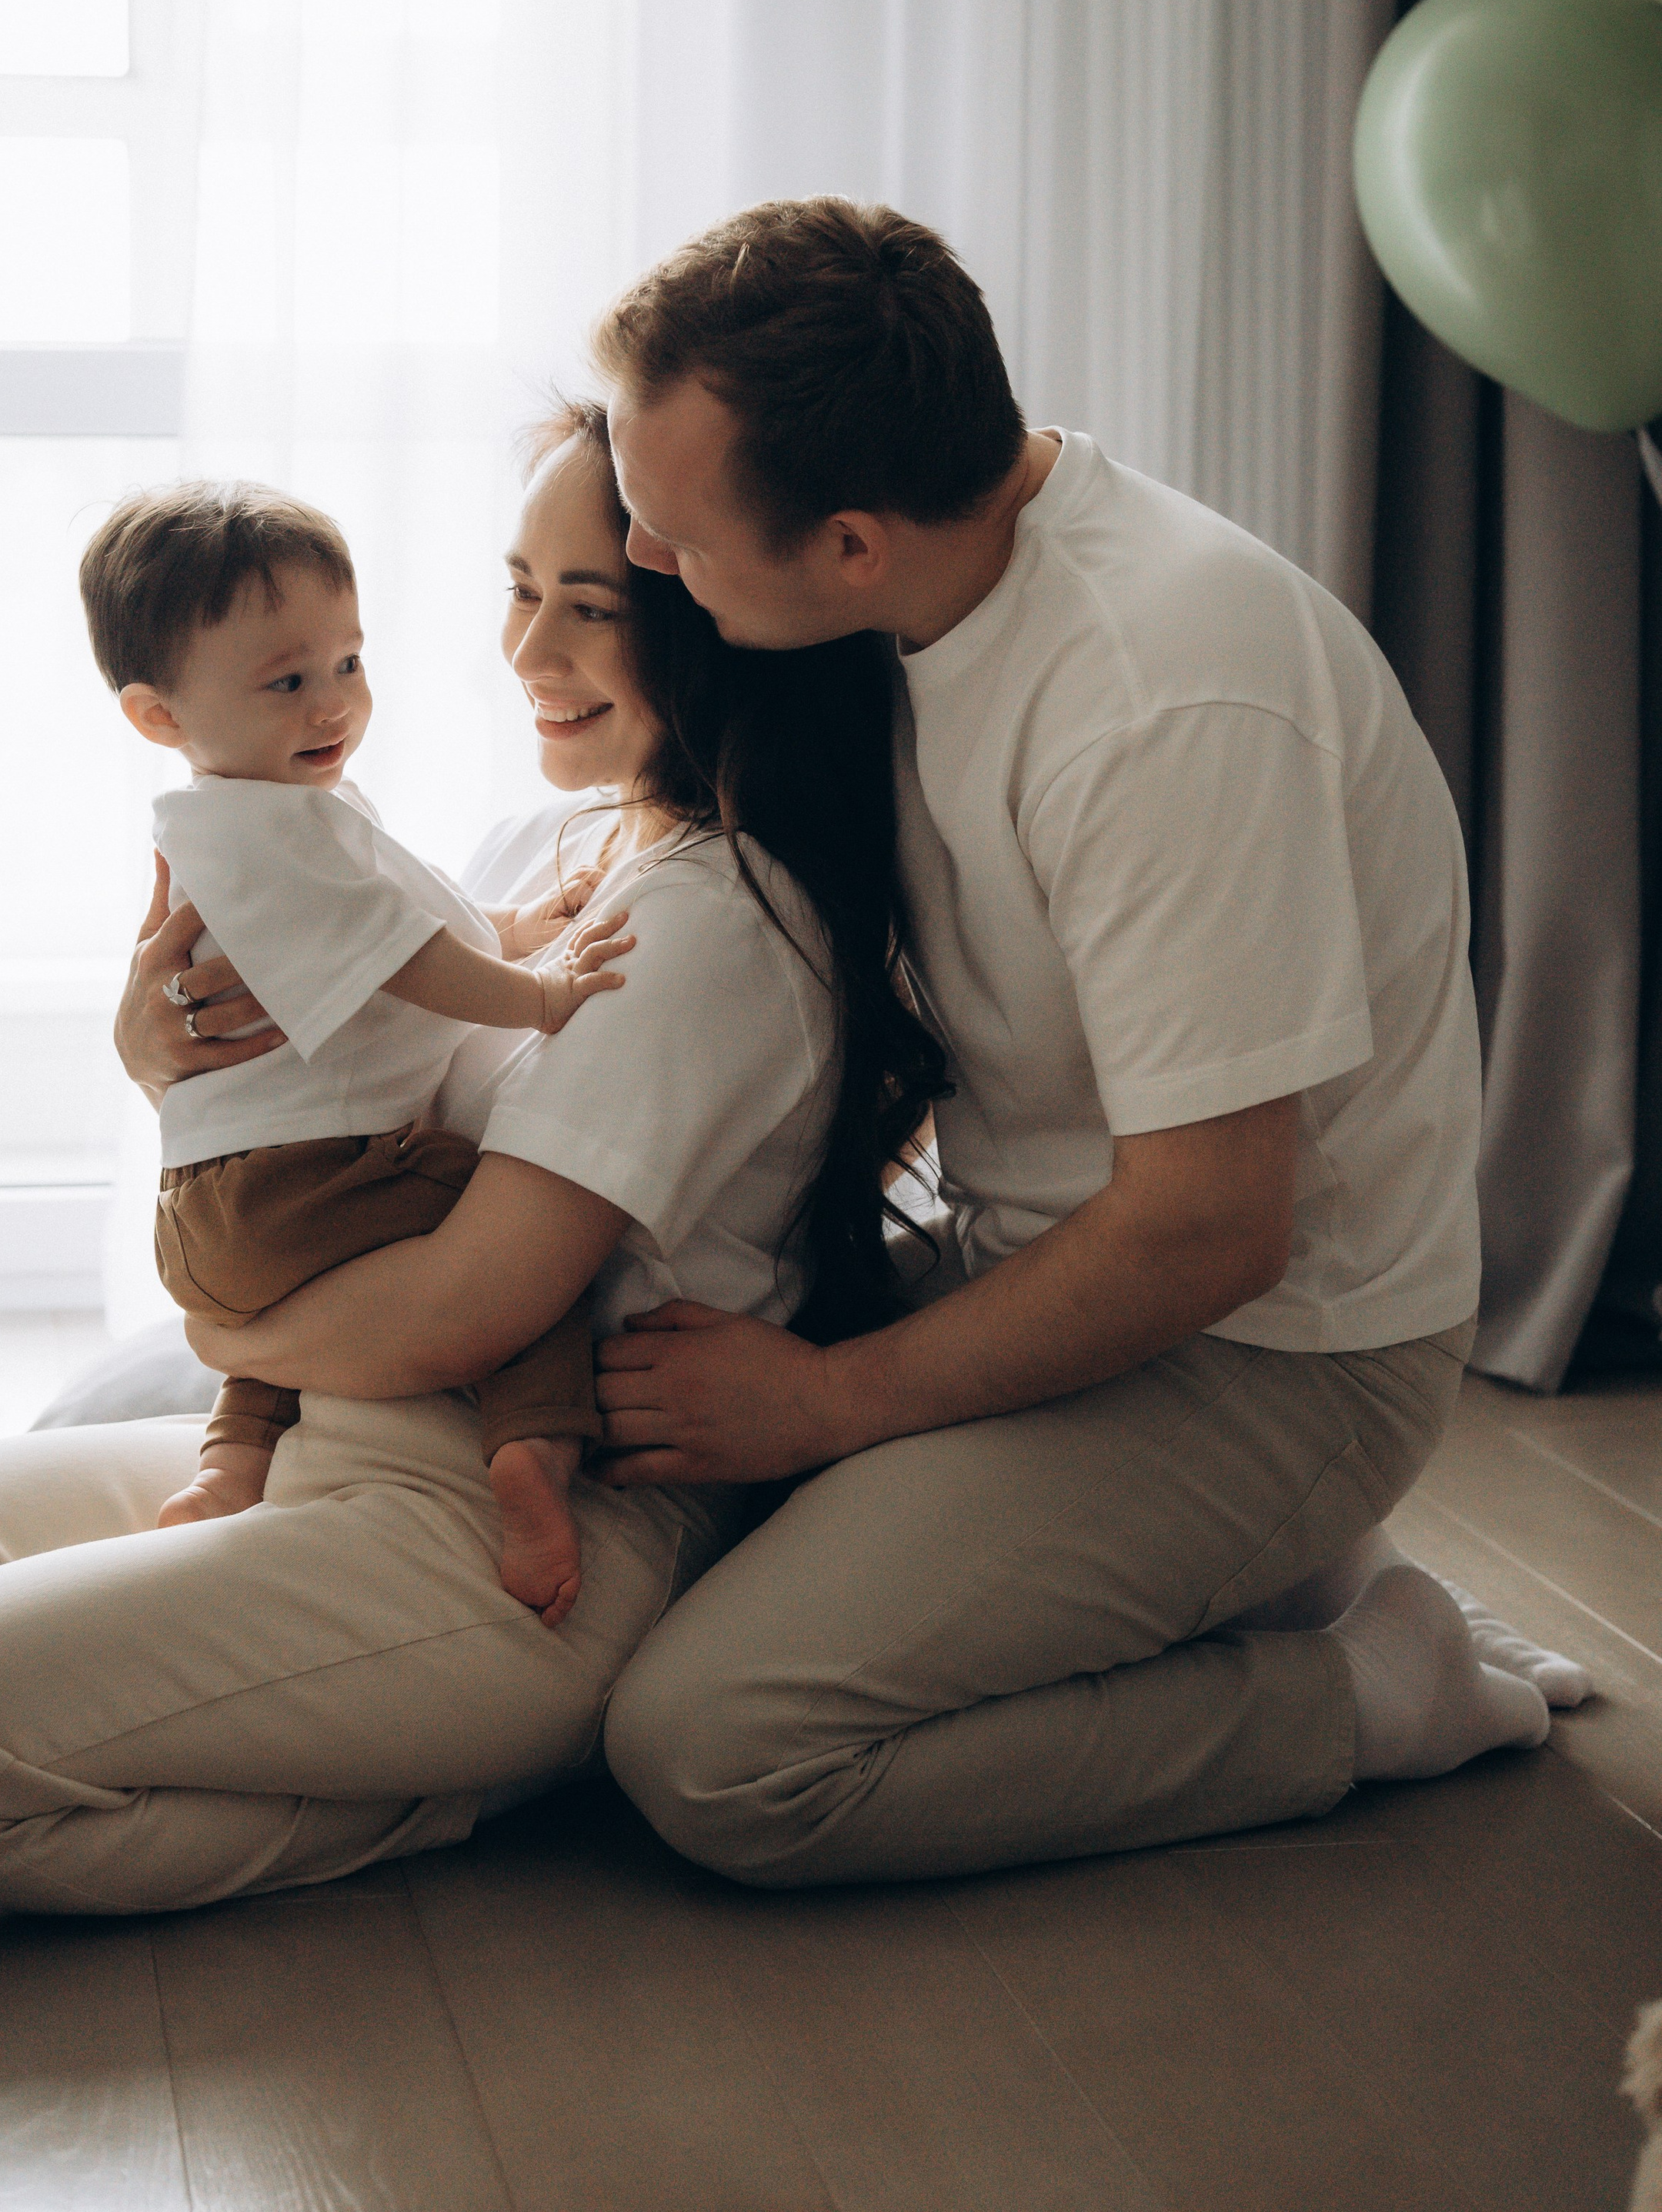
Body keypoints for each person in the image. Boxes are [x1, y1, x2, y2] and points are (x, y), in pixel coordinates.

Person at [0, 407, 939, 1914]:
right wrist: (149, 1048)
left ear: (718, 620)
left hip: (516, 1515)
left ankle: (457, 1782)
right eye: (517, 588)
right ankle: (332, 1717)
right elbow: (311, 1092)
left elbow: (464, 1312)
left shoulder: (714, 919)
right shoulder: (534, 850)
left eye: (589, 606)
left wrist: (219, 1323)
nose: (525, 647)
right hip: (325, 1429)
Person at [585, 195, 1557, 1887]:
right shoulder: (931, 584)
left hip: (1273, 1351)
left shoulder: (1157, 696)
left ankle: (1366, 1690)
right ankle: (1270, 1583)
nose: (645, 564)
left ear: (852, 545)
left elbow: (1213, 1225)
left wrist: (828, 1403)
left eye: (674, 535)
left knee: (716, 1748)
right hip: (1035, 1263)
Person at [79, 477, 632, 1623]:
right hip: (295, 1184)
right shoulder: (269, 832)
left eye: (349, 662)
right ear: (159, 717)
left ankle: (232, 1460)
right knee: (511, 1257)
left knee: (298, 1302)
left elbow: (416, 922)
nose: (334, 703)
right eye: (287, 682)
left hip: (218, 1213)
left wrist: (526, 922)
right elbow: (409, 959)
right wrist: (538, 994)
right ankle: (532, 1454)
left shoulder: (261, 821)